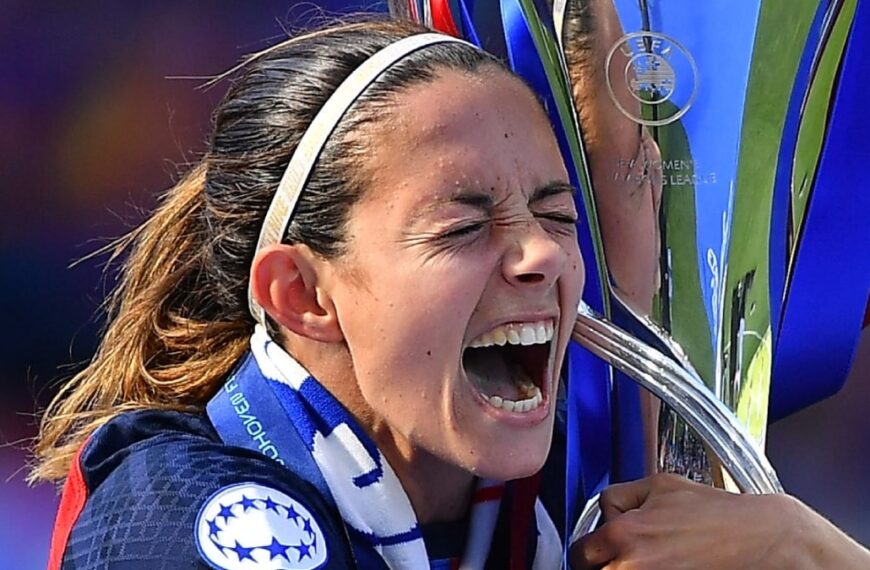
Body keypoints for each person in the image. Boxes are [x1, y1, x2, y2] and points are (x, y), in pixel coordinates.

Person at [31, 17, 870, 570]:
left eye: (556, 213)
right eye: (464, 227)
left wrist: (811, 550)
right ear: (302, 295)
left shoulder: (531, 519)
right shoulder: (188, 513)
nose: (541, 254)